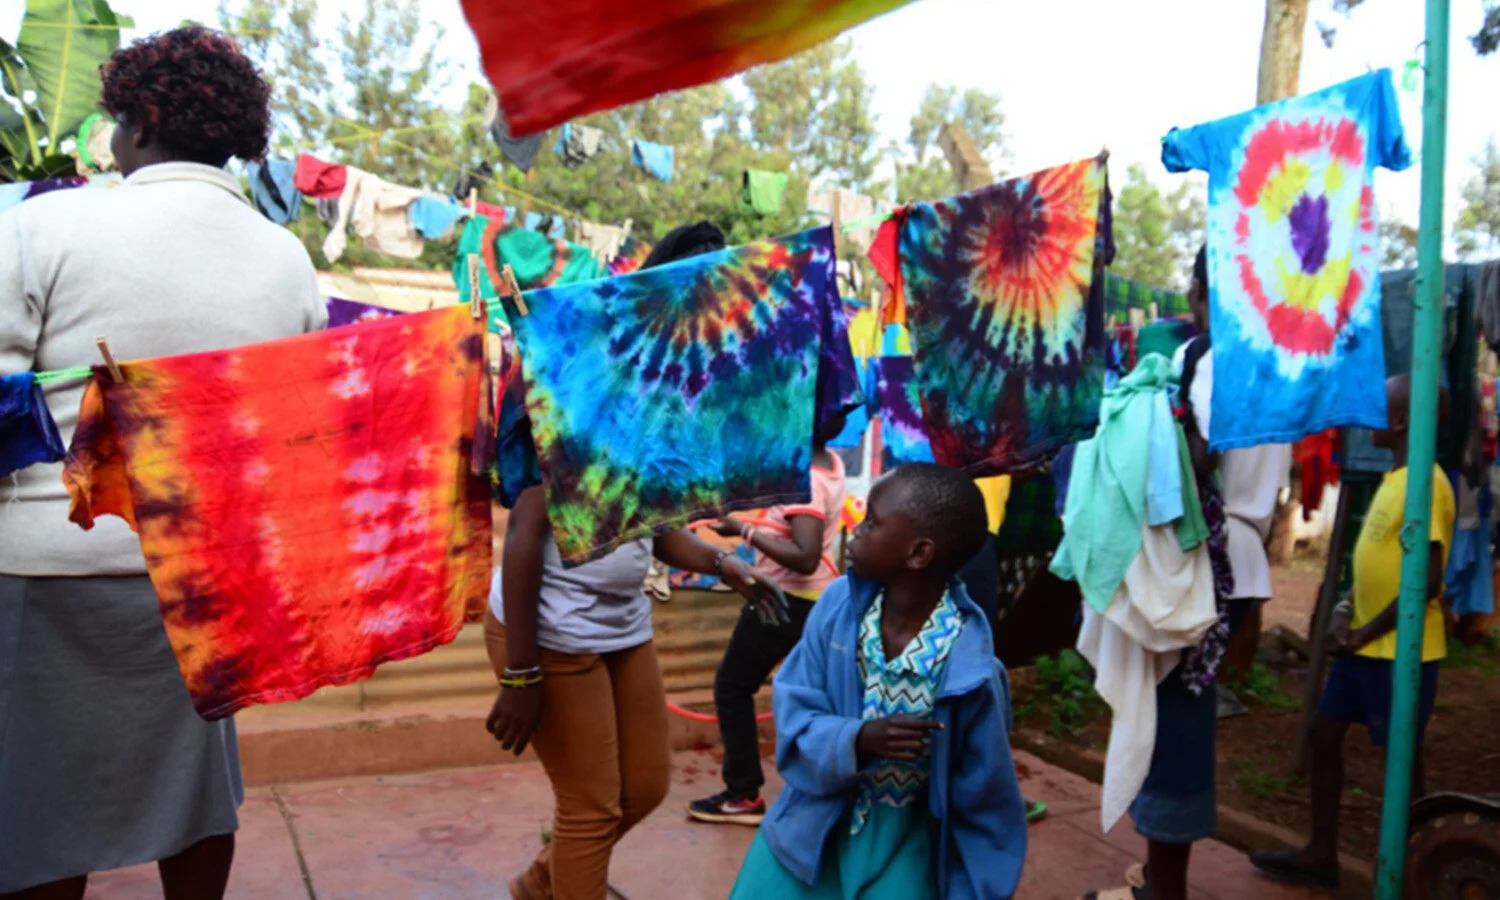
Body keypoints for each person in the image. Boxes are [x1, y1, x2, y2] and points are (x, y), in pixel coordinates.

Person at [0, 27, 326, 900]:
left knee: (36, 810)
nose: (107, 140)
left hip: (49, 564)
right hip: (206, 577)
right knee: (195, 790)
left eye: (114, 120)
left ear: (142, 122)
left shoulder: (46, 224)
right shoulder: (286, 259)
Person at [484, 221, 791, 900]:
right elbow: (528, 531)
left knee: (645, 788)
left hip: (618, 625)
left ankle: (540, 886)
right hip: (549, 632)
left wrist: (723, 563)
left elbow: (654, 532)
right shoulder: (585, 375)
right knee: (591, 808)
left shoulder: (675, 394)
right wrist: (522, 672)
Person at [728, 463, 1028, 899]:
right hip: (809, 829)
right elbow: (793, 714)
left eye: (872, 521)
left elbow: (986, 801)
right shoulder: (835, 609)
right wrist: (857, 739)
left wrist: (974, 889)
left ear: (918, 553)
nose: (857, 528)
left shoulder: (971, 673)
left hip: (903, 843)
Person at [1251, 374, 1454, 891]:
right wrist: (1345, 611)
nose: (1370, 415)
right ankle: (1321, 855)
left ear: (1404, 420)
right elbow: (1371, 567)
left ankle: (1418, 870)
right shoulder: (1393, 479)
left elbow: (1425, 580)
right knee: (1324, 735)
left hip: (1398, 651)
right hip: (1366, 647)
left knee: (1404, 764)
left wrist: (1363, 633)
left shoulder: (1427, 482)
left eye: (1380, 406)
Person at [687, 411, 848, 825]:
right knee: (821, 694)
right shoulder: (827, 460)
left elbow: (805, 555)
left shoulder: (807, 480)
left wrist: (743, 531)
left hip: (783, 600)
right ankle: (833, 787)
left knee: (732, 686)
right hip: (814, 599)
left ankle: (743, 794)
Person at [1173, 245, 1293, 718]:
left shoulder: (1206, 354)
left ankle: (1174, 795)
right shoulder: (1273, 364)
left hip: (1204, 555)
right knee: (1195, 708)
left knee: (1174, 711)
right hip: (1245, 558)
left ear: (1199, 291)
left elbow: (1201, 457)